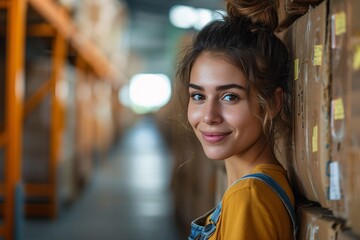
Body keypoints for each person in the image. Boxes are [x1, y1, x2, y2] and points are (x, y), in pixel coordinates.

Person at [175, 0, 298, 239]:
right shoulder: (257, 187)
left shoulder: (248, 197)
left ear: (273, 103)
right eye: (198, 96)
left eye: (230, 97)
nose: (209, 116)